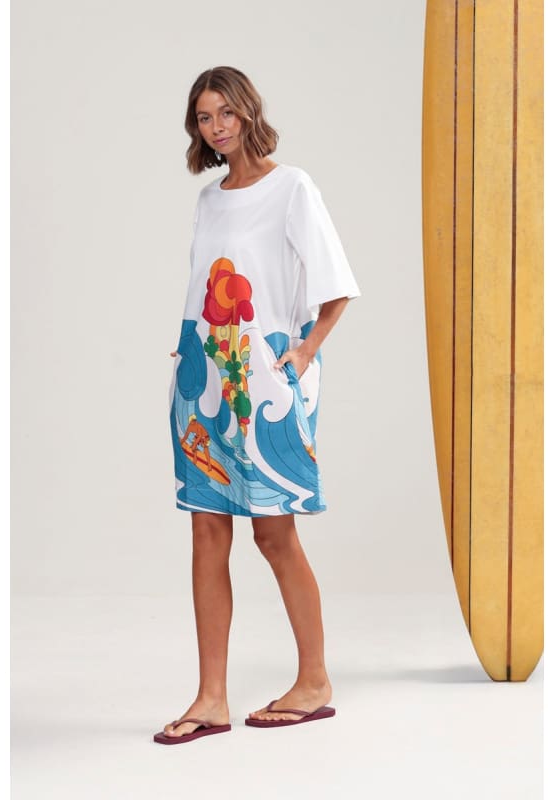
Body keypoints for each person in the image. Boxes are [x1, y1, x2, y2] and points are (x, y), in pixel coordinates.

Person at [155, 66, 361, 745]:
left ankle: (315, 681)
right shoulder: (209, 200)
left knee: (274, 535)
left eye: (224, 112)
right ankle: (211, 698)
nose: (215, 127)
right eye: (203, 117)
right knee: (207, 533)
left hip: (267, 381)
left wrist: (304, 353)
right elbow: (205, 288)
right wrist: (189, 354)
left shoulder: (292, 187)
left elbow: (335, 285)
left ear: (247, 111)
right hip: (204, 382)